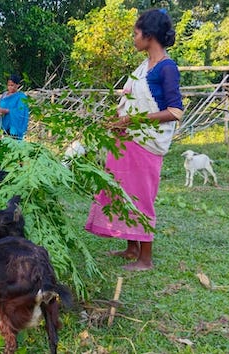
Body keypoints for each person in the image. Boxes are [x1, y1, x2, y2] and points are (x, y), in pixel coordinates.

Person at [84, 9, 183, 271]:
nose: (134, 38)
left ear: (149, 36)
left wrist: (134, 121)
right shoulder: (143, 68)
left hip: (147, 142)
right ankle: (131, 248)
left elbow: (175, 111)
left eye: (136, 33)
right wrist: (119, 121)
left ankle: (145, 259)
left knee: (140, 197)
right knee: (123, 192)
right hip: (127, 139)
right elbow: (129, 104)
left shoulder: (166, 68)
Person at [0, 74, 29, 140]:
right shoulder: (4, 95)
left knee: (13, 142)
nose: (10, 87)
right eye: (8, 85)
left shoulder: (21, 97)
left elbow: (21, 111)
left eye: (12, 85)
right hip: (4, 122)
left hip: (14, 125)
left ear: (17, 85)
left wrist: (7, 111)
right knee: (5, 141)